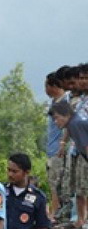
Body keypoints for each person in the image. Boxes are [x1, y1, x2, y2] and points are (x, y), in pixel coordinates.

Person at [52, 99, 88, 227]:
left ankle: (82, 220)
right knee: (79, 189)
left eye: (57, 118)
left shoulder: (76, 124)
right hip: (81, 155)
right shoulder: (71, 123)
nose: (56, 122)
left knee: (82, 188)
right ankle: (80, 220)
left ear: (66, 115)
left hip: (84, 156)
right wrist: (62, 144)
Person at [45, 73, 67, 216]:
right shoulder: (55, 103)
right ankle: (55, 211)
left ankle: (56, 213)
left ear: (53, 86)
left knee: (56, 184)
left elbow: (66, 126)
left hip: (57, 151)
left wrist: (62, 145)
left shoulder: (64, 103)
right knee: (52, 184)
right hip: (51, 150)